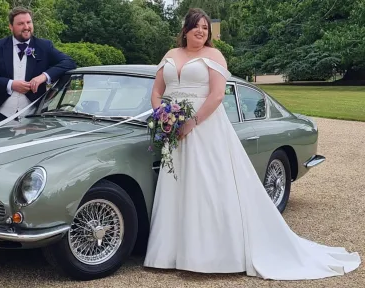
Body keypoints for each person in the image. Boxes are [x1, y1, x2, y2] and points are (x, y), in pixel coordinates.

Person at [143, 8, 361, 280]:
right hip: (173, 131)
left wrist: (191, 122)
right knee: (177, 184)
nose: (201, 31)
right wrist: (162, 116)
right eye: (196, 26)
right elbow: (156, 91)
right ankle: (168, 253)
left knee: (206, 184)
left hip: (205, 127)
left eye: (206, 28)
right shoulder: (170, 56)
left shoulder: (214, 56)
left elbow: (217, 95)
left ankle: (209, 255)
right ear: (185, 29)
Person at [0, 7, 76, 124]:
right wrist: (11, 84)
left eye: (29, 22)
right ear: (11, 26)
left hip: (33, 117)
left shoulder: (44, 46)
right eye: (20, 23)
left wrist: (44, 76)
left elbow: (69, 62)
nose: (26, 27)